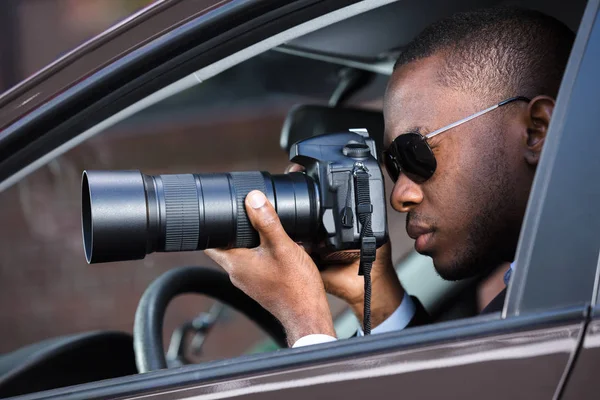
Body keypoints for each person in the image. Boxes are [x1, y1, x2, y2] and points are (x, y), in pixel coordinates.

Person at [205, 6, 575, 347]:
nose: (399, 196)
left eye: (416, 152)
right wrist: (374, 292)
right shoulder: (554, 288)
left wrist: (306, 322)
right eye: (394, 165)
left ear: (536, 130)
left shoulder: (576, 298)